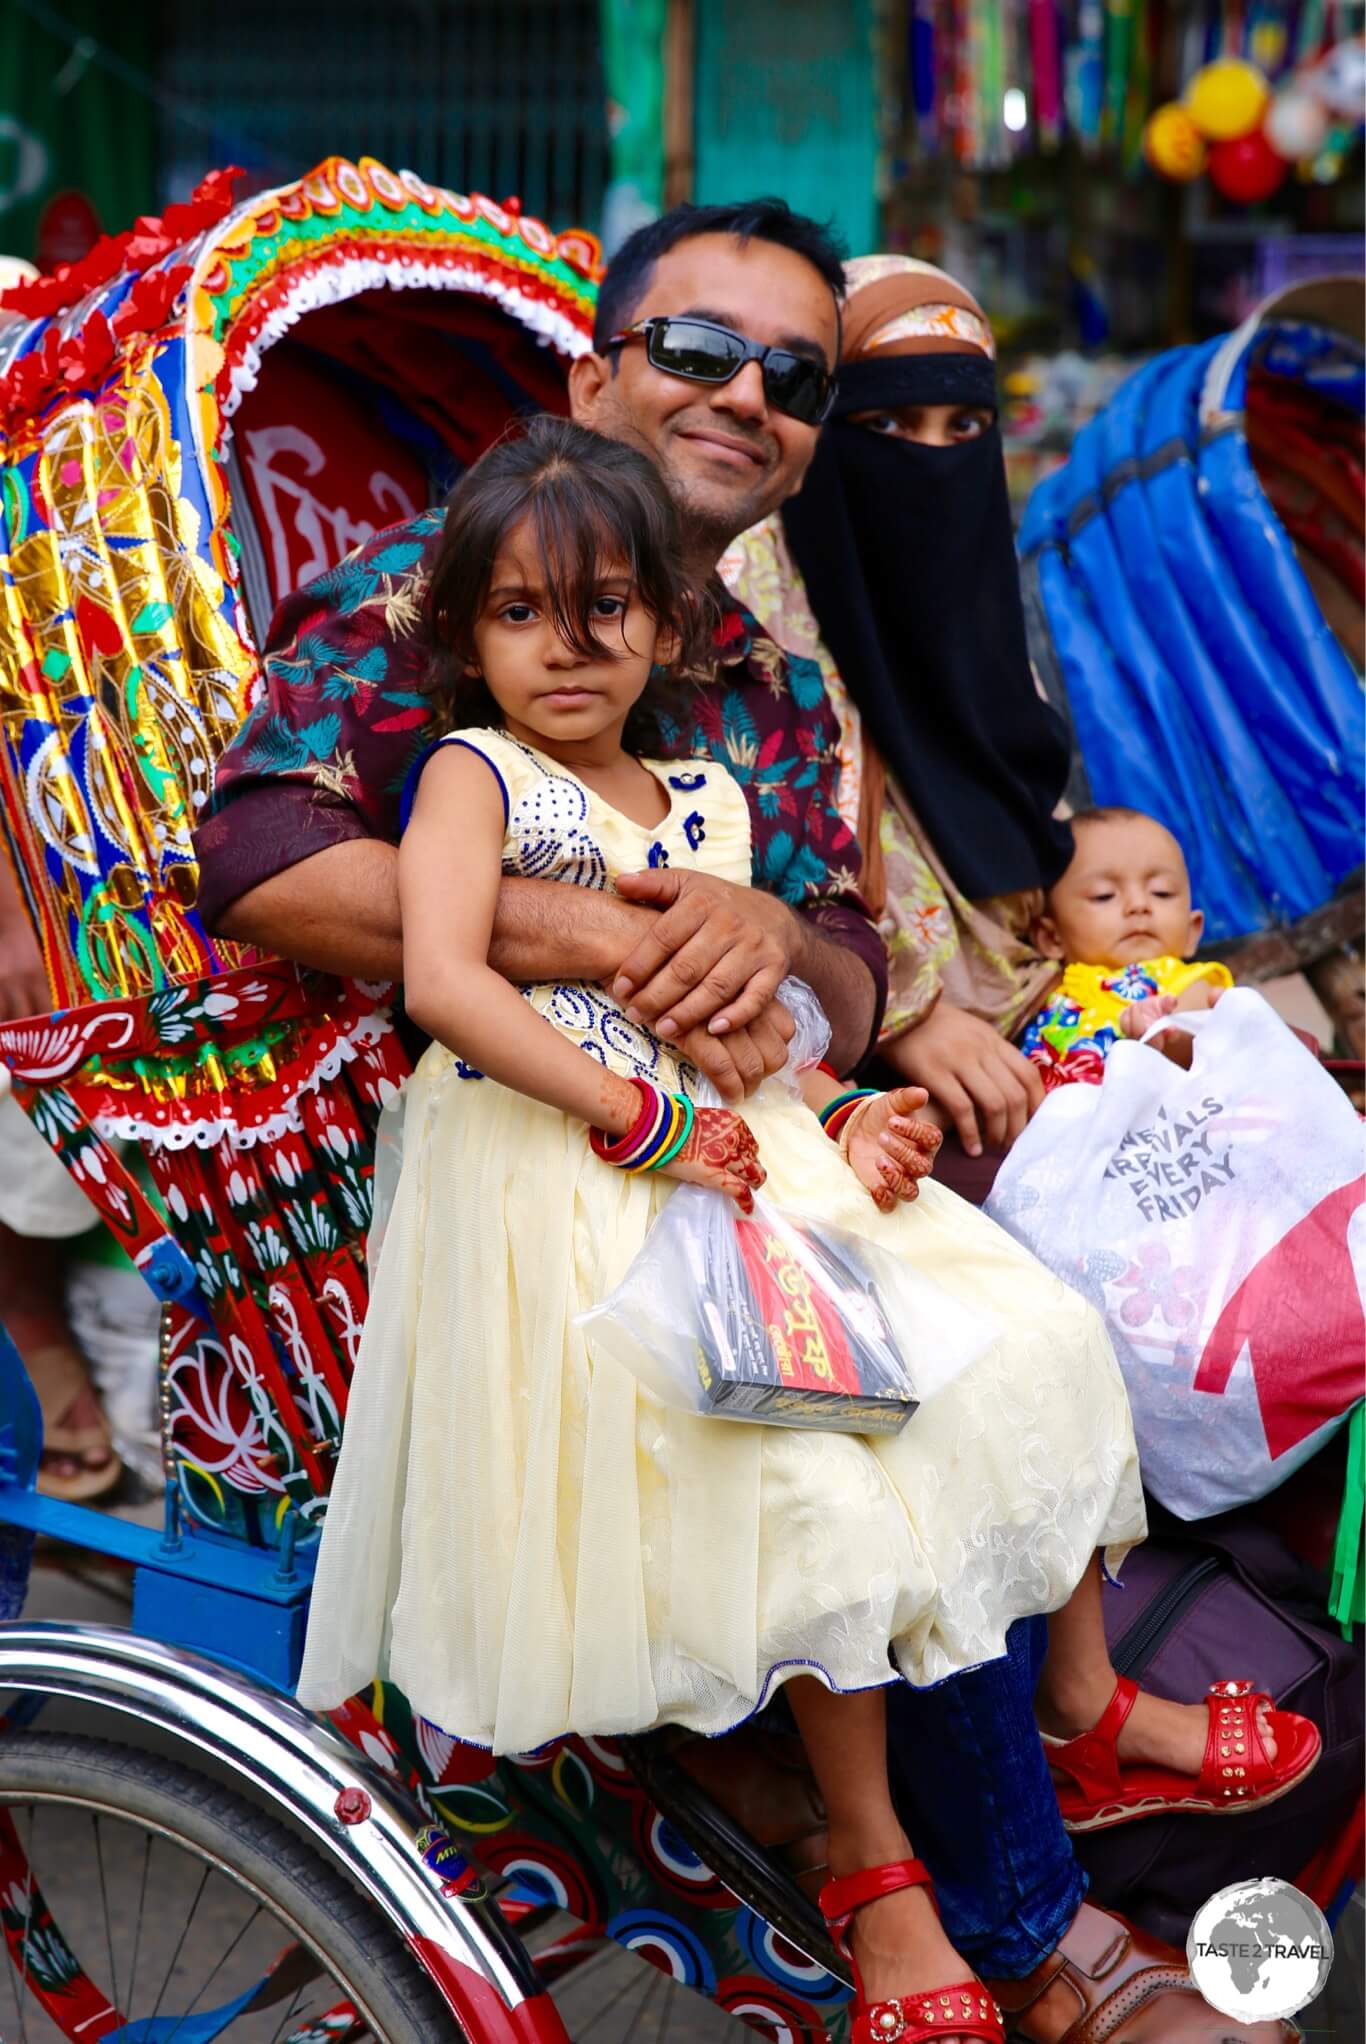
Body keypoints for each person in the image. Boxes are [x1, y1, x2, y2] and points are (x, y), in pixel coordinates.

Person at [195, 201, 1303, 2044]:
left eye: (796, 376)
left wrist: (780, 945)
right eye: (698, 348)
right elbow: (258, 847)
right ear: (597, 366)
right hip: (510, 1182)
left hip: (735, 1149)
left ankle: (1048, 1802)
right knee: (867, 1417)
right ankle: (1042, 1947)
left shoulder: (773, 676)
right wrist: (594, 927)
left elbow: (852, 953)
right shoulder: (451, 586)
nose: (747, 398)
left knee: (1000, 1334)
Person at [724, 255, 1071, 1191]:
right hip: (835, 1079)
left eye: (964, 428)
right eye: (884, 425)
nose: (931, 459)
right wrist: (907, 1012)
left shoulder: (986, 586)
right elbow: (732, 857)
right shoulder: (744, 596)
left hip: (1029, 1020)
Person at [1020, 808, 1234, 1091]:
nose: (1138, 904)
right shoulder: (1042, 989)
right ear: (1051, 938)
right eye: (1104, 895)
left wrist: (1164, 1032)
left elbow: (1199, 1023)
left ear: (1192, 930)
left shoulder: (1185, 981)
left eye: (1161, 892)